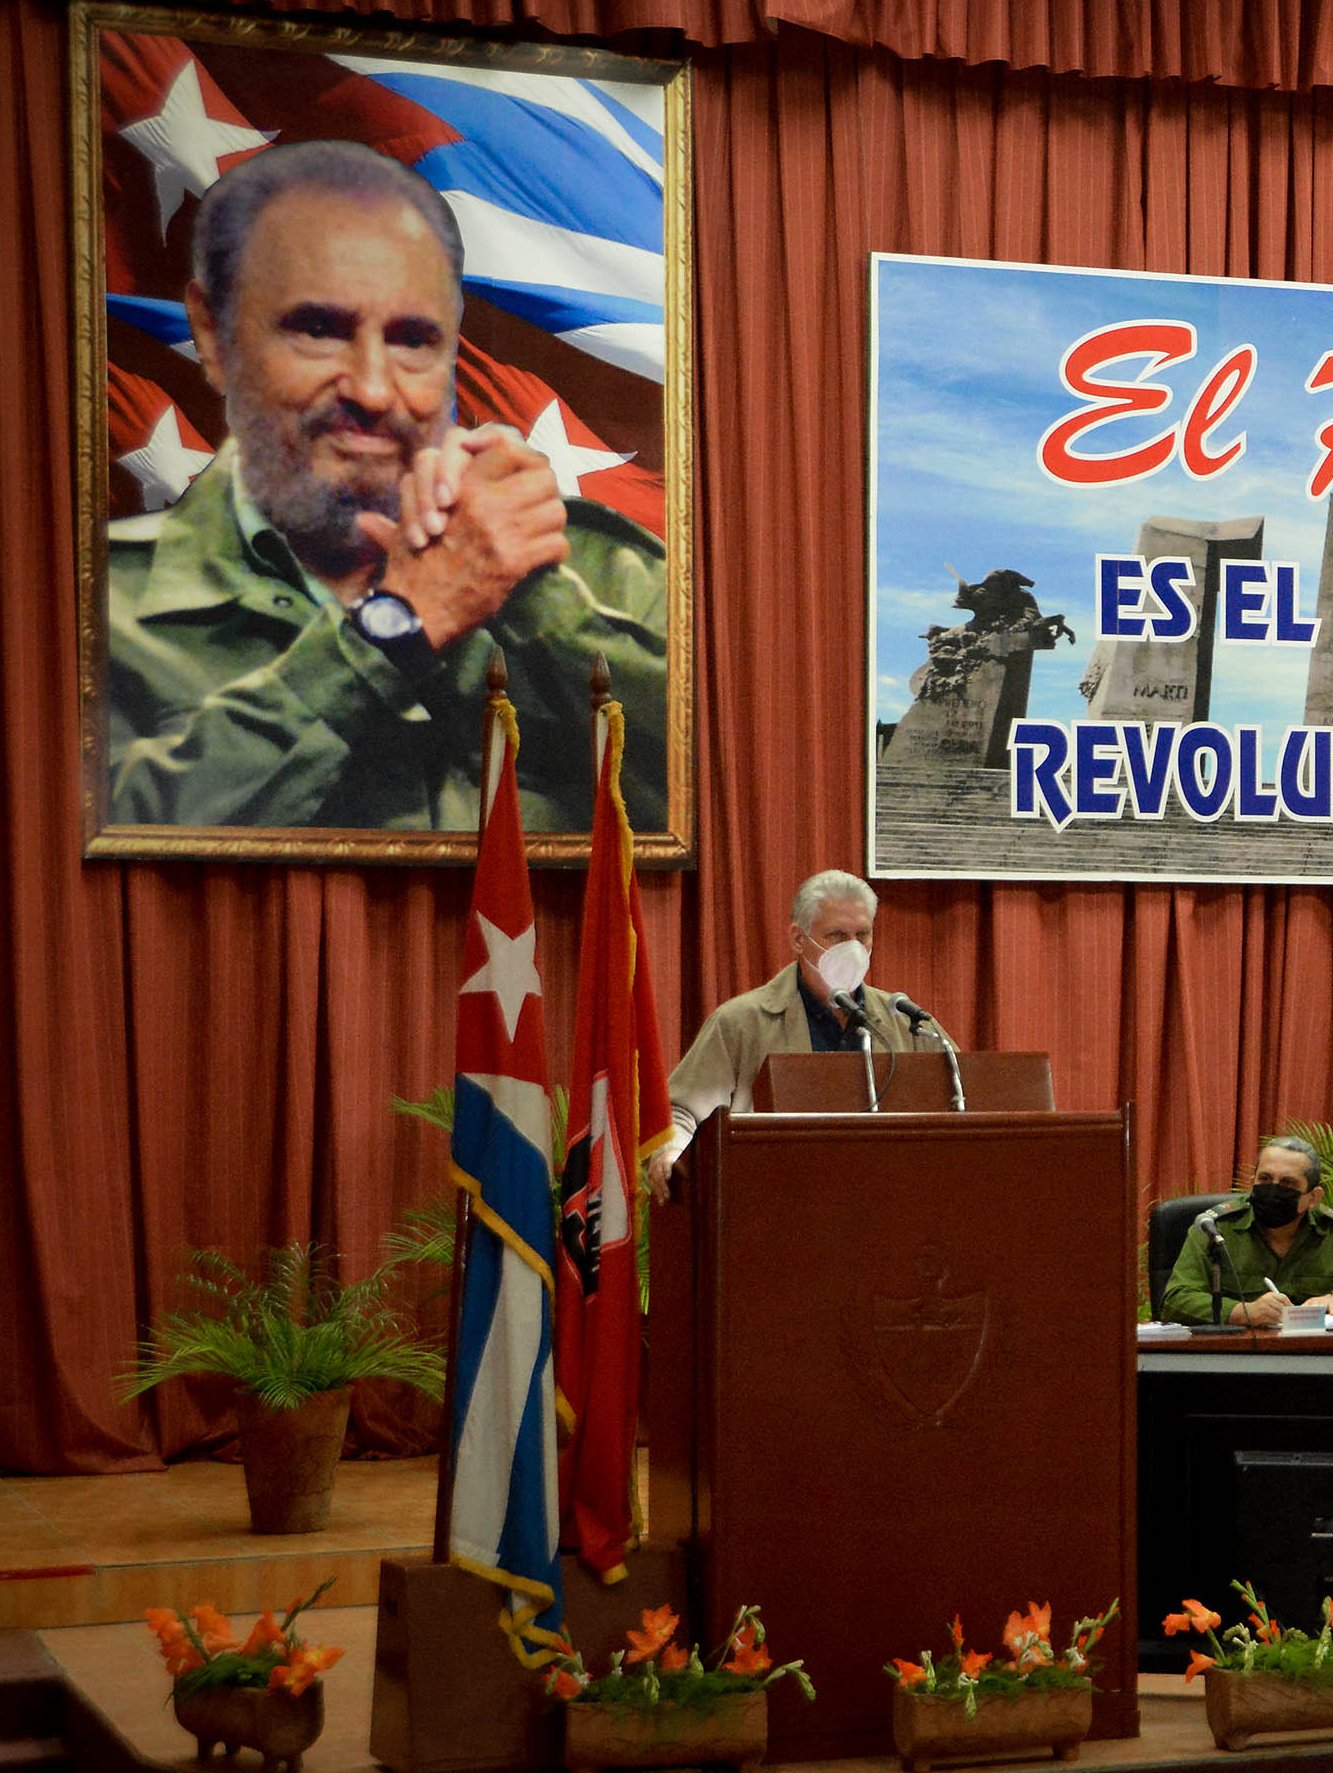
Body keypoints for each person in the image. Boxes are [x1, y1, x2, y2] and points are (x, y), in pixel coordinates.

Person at [104, 139, 669, 831]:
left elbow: (729, 806)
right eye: (317, 328)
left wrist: (532, 597)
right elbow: (91, 849)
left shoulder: (603, 573)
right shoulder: (102, 607)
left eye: (412, 339)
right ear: (212, 334)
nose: (373, 390)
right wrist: (391, 634)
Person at [644, 871, 944, 1192]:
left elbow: (962, 1097)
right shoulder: (742, 1022)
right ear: (799, 940)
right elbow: (680, 1111)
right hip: (779, 1198)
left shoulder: (904, 1021)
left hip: (887, 1198)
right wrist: (672, 1154)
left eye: (863, 935)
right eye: (838, 936)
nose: (854, 948)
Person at [1158, 1135, 1333, 1328]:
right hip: (1234, 1362)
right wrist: (1244, 1312)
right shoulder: (1214, 1229)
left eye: (1287, 1183)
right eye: (1265, 1179)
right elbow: (1175, 1300)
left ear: (1313, 1197)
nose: (1273, 1190)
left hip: (1314, 1363)